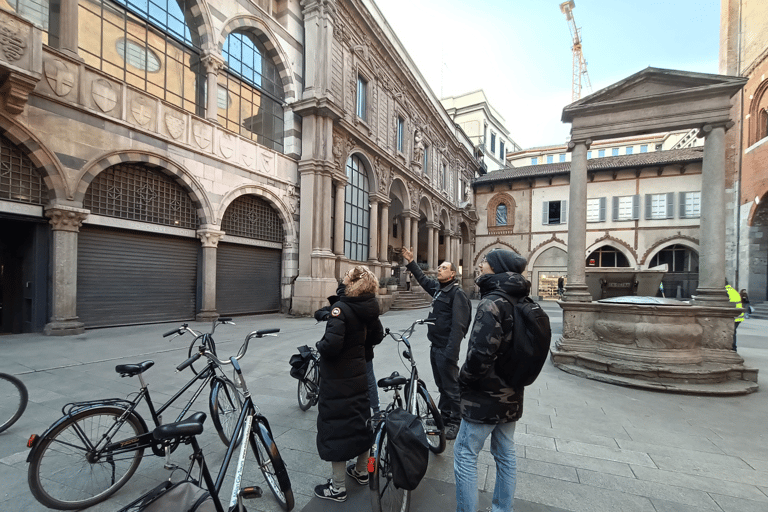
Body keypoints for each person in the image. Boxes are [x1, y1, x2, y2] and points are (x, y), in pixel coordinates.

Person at [454, 248, 529, 512]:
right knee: (506, 455)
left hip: (484, 397)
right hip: (512, 394)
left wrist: (463, 379)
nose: (481, 264)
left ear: (496, 268)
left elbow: (480, 354)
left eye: (486, 261)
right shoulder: (521, 299)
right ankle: (502, 509)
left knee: (465, 454)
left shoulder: (491, 303)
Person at [313, 266, 384, 502]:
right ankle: (363, 471)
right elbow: (376, 337)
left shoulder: (340, 309)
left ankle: (338, 488)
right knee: (359, 421)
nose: (342, 278)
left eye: (346, 276)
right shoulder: (370, 308)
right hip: (359, 373)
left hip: (338, 378)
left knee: (337, 427)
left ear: (352, 283)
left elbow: (331, 345)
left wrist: (319, 346)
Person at [401, 247, 471, 440]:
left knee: (451, 386)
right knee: (442, 385)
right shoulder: (440, 290)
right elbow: (423, 280)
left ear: (453, 274)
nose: (439, 269)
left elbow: (459, 327)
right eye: (439, 267)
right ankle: (445, 417)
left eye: (444, 268)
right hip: (436, 346)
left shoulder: (457, 294)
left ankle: (456, 422)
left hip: (446, 349)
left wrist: (451, 352)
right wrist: (411, 262)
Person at [725, 282, 744, 351]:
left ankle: (733, 348)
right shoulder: (732, 290)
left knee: (731, 333)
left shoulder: (725, 292)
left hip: (733, 316)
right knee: (732, 332)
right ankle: (733, 348)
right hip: (738, 315)